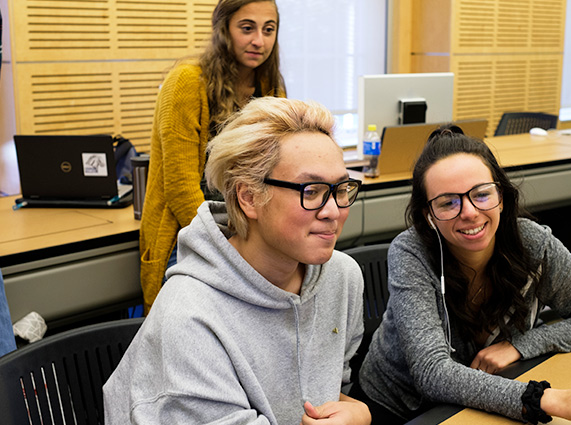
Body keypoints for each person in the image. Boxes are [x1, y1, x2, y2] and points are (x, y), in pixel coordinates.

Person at [104, 97, 371, 425]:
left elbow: (330, 389)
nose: (333, 211)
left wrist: (358, 411)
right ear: (249, 197)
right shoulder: (190, 317)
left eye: (341, 188)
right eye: (311, 191)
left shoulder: (341, 277)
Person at [353, 125, 571, 424]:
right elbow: (432, 372)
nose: (470, 212)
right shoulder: (411, 252)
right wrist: (549, 399)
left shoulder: (533, 244)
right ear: (428, 216)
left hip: (484, 399)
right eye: (448, 202)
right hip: (398, 409)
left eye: (481, 194)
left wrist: (519, 345)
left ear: (501, 194)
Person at [140, 0, 286, 313]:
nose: (259, 40)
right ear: (224, 30)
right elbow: (180, 187)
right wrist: (229, 245)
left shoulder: (270, 85)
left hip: (249, 232)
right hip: (192, 234)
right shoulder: (187, 82)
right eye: (247, 28)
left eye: (268, 30)